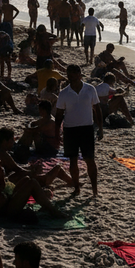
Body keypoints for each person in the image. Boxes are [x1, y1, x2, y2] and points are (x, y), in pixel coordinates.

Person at [55, 64, 103, 197]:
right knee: (73, 160)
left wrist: (101, 128)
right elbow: (59, 115)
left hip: (87, 128)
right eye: (69, 76)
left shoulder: (90, 89)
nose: (71, 78)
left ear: (80, 75)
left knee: (90, 160)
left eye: (73, 76)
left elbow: (97, 109)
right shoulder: (64, 93)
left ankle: (95, 190)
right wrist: (56, 133)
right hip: (70, 130)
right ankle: (76, 188)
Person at [0, 154, 66, 218]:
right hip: (6, 210)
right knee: (32, 183)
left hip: (7, 202)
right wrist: (1, 176)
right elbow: (1, 187)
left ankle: (47, 205)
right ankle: (52, 211)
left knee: (27, 179)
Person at [0, 127, 71, 187]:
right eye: (11, 140)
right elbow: (18, 169)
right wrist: (32, 171)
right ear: (4, 141)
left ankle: (72, 182)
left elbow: (15, 167)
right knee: (57, 168)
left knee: (34, 169)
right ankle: (44, 180)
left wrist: (30, 168)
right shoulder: (2, 154)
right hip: (2, 184)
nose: (13, 143)